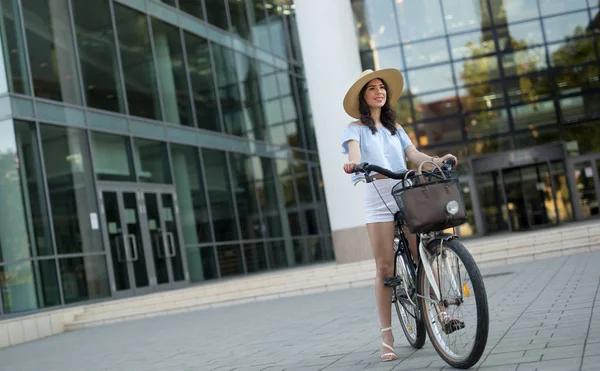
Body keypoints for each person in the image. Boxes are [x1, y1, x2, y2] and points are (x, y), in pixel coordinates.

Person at [340, 69, 457, 362]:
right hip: (377, 194)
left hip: (405, 190)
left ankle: (441, 311)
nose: (379, 92)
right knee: (384, 268)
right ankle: (387, 334)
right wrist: (354, 165)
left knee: (421, 255)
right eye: (372, 89)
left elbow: (413, 155)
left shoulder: (396, 127)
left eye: (382, 88)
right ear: (363, 97)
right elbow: (354, 155)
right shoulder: (355, 128)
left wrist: (436, 160)